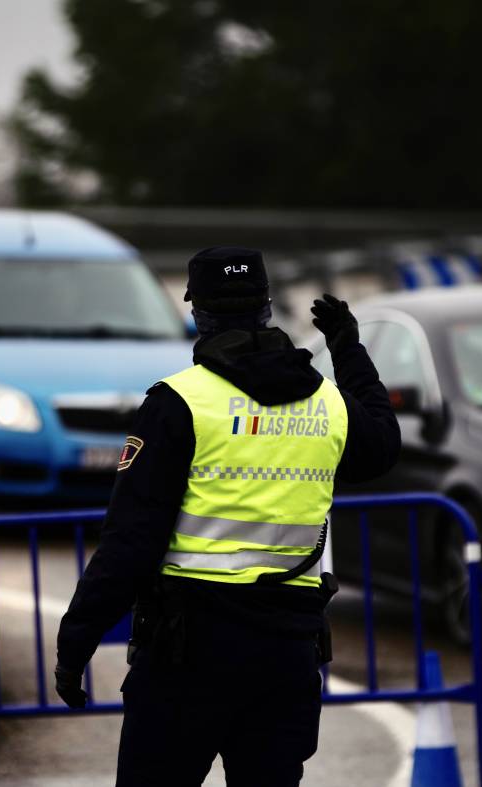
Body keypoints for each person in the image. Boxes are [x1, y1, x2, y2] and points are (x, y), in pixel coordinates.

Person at [54, 246, 401, 786]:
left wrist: (76, 643)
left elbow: (130, 542)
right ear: (266, 307)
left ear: (199, 314)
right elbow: (382, 444)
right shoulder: (329, 403)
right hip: (286, 653)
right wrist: (347, 348)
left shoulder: (179, 403)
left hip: (187, 655)